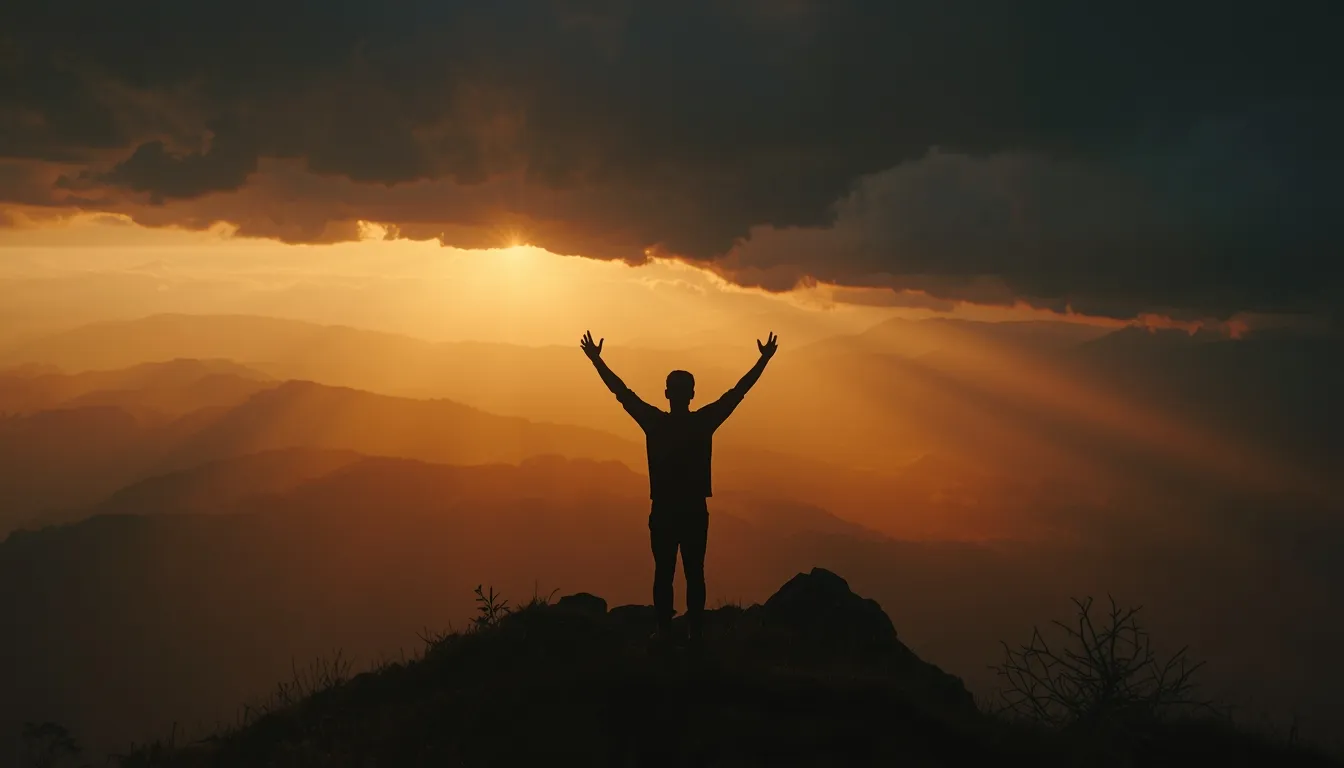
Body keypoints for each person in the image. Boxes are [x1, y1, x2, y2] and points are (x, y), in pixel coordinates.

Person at [580, 329, 778, 644]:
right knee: (694, 572)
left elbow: (623, 393)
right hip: (695, 510)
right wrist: (762, 360)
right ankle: (695, 634)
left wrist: (597, 361)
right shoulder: (703, 422)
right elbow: (737, 393)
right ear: (692, 395)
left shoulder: (655, 422)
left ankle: (663, 632)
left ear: (667, 393)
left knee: (664, 573)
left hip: (663, 510)